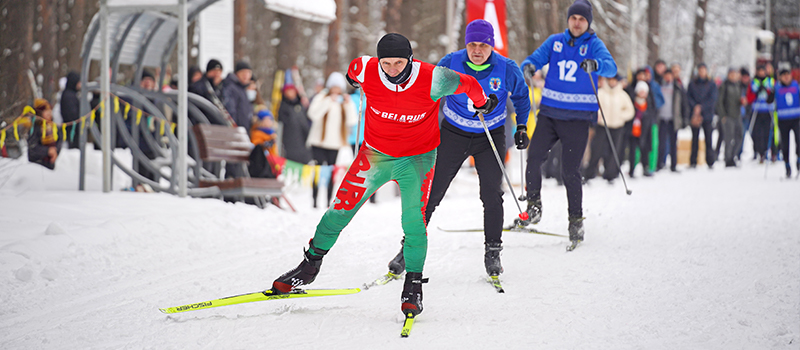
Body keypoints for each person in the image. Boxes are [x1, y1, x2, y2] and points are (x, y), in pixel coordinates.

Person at [270, 33, 495, 318]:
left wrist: (482, 102)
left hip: (417, 158)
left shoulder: (434, 78)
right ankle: (310, 265)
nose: (391, 69)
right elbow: (353, 70)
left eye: (398, 62)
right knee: (340, 210)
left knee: (413, 220)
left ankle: (413, 284)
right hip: (375, 155)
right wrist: (353, 81)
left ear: (410, 59)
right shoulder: (366, 68)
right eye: (385, 63)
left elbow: (470, 83)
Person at [384, 19, 530, 278]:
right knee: (430, 192)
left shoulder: (507, 68)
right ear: (466, 44)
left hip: (490, 135)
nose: (477, 50)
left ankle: (493, 251)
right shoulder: (450, 63)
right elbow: (428, 93)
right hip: (453, 133)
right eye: (472, 44)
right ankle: (408, 249)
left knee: (492, 194)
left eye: (483, 45)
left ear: (491, 45)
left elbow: (521, 97)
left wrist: (521, 127)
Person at [518, 0, 617, 246]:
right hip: (550, 113)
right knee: (534, 158)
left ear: (588, 23)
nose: (577, 23)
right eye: (573, 18)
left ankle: (575, 221)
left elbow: (611, 67)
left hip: (578, 117)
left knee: (569, 170)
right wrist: (528, 66)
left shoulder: (594, 45)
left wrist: (596, 64)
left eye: (582, 19)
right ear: (568, 20)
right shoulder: (555, 41)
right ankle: (533, 206)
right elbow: (534, 58)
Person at [306, 72, 357, 208]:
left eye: (338, 87)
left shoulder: (344, 101)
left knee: (331, 173)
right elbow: (313, 114)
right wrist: (328, 101)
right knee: (317, 172)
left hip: (335, 144)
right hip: (318, 142)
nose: (336, 90)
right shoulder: (322, 97)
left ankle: (328, 200)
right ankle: (315, 200)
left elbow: (352, 120)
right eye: (333, 86)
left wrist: (347, 104)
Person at [584, 74, 634, 182]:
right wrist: (598, 115)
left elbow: (630, 111)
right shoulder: (600, 93)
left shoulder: (622, 95)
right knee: (597, 149)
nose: (612, 82)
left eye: (614, 80)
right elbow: (593, 106)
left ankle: (611, 174)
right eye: (610, 80)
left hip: (617, 126)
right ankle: (589, 173)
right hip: (602, 126)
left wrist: (621, 117)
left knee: (614, 150)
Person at [656, 69, 690, 172]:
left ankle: (673, 165)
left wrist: (684, 118)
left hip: (673, 119)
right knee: (661, 143)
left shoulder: (677, 88)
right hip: (661, 118)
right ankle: (660, 163)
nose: (668, 78)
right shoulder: (659, 87)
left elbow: (684, 104)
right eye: (666, 75)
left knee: (673, 143)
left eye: (670, 76)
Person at [686, 63, 718, 168]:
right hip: (695, 115)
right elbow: (688, 97)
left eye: (703, 70)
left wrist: (702, 107)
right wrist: (695, 106)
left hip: (707, 115)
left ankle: (710, 161)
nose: (702, 72)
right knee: (694, 138)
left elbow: (712, 99)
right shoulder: (692, 84)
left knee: (708, 139)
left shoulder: (711, 84)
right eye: (700, 70)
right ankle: (693, 161)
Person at [715, 68, 744, 167]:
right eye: (731, 74)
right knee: (728, 138)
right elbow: (719, 101)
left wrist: (742, 102)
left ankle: (733, 155)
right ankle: (728, 159)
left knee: (739, 135)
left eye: (735, 74)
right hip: (728, 116)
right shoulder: (724, 86)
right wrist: (722, 115)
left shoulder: (738, 85)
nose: (733, 76)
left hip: (737, 115)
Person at [278, 83, 313, 164]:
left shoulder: (301, 106)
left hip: (302, 142)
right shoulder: (283, 107)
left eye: (292, 91)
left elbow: (306, 123)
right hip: (289, 143)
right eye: (288, 91)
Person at [775, 69, 800, 177]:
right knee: (785, 144)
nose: (786, 77)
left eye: (788, 75)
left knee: (799, 141)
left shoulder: (796, 86)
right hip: (783, 119)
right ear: (780, 77)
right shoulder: (777, 87)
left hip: (796, 118)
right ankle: (787, 165)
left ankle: (798, 160)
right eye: (783, 75)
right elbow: (769, 100)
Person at [749, 65, 776, 163]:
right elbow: (751, 93)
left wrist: (768, 92)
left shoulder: (769, 80)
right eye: (759, 71)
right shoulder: (754, 81)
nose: (761, 73)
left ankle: (772, 151)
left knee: (769, 132)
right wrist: (756, 91)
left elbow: (773, 91)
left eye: (763, 71)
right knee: (758, 133)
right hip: (757, 109)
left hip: (768, 109)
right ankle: (760, 152)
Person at [28, 99, 62, 170]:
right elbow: (32, 148)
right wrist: (48, 151)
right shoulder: (35, 128)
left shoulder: (53, 127)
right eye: (46, 110)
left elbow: (59, 140)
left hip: (50, 164)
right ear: (39, 113)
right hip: (37, 165)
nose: (49, 113)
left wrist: (55, 151)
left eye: (50, 110)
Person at [222, 61, 255, 131]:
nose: (245, 76)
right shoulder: (231, 88)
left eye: (248, 73)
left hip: (242, 131)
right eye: (243, 73)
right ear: (237, 74)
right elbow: (230, 110)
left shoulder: (242, 89)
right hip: (235, 132)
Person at [60, 71, 81, 149]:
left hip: (72, 128)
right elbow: (71, 114)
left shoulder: (71, 94)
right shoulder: (69, 96)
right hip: (72, 129)